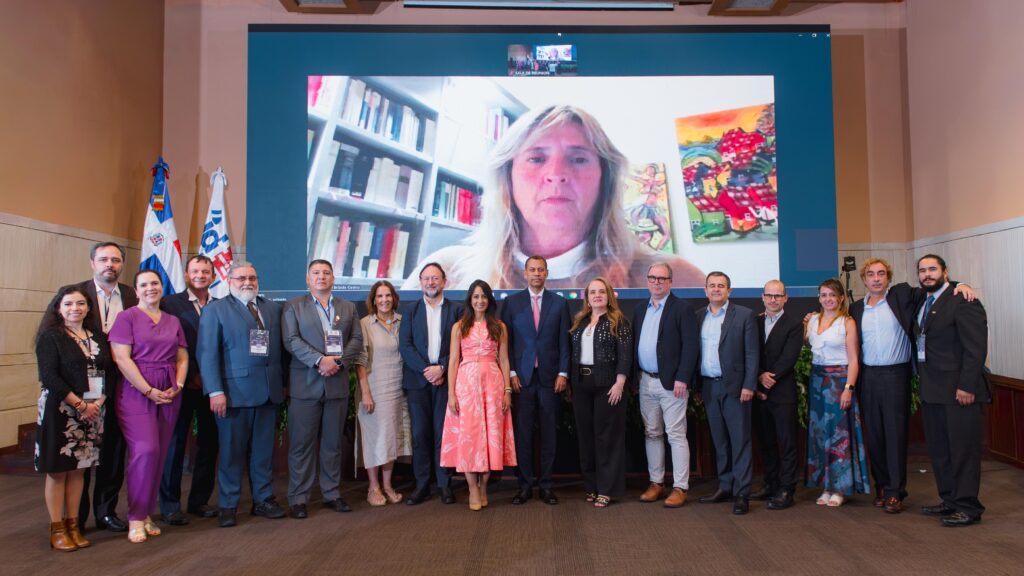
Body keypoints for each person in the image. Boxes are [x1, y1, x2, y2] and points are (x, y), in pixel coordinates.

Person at [402, 105, 703, 290]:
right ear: (507, 178)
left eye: (579, 159)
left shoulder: (674, 279)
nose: (557, 174)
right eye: (536, 158)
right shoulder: (442, 274)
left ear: (605, 179)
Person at [850, 258, 974, 514]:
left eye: (881, 274)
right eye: (871, 274)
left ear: (888, 278)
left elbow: (935, 286)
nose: (876, 279)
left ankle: (896, 492)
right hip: (868, 377)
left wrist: (960, 284)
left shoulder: (902, 296)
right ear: (864, 279)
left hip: (896, 375)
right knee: (875, 436)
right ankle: (882, 487)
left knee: (895, 434)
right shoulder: (856, 308)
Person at [198, 261, 287, 528]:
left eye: (252, 278)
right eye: (241, 278)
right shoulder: (215, 310)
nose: (247, 282)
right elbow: (207, 354)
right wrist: (215, 391)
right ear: (229, 280)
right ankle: (228, 505)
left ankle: (263, 499)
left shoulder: (272, 308)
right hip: (233, 395)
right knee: (231, 454)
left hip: (269, 393)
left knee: (263, 454)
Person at [107, 270, 188, 543]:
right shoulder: (126, 317)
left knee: (160, 454)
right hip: (136, 390)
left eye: (154, 283)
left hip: (169, 390)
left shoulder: (173, 320)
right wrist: (147, 390)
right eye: (144, 284)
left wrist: (178, 384)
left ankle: (146, 514)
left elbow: (182, 356)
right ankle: (135, 516)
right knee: (145, 451)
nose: (150, 288)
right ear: (136, 290)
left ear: (161, 287)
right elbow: (121, 358)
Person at [35, 285, 114, 551]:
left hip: (92, 412)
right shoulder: (51, 337)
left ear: (88, 307)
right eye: (68, 304)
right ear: (58, 308)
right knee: (58, 471)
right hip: (61, 410)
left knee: (79, 470)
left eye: (80, 303)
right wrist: (80, 404)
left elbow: (109, 373)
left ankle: (73, 525)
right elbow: (49, 377)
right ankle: (57, 528)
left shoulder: (98, 337)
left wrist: (97, 404)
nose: (75, 309)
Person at [282, 260, 363, 518]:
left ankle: (332, 493)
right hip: (305, 385)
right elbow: (291, 340)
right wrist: (320, 360)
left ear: (333, 278)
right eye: (316, 273)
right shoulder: (293, 306)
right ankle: (299, 498)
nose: (321, 277)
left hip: (336, 385)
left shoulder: (348, 307)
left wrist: (336, 362)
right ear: (308, 279)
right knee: (301, 445)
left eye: (326, 273)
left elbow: (356, 339)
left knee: (332, 444)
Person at [913, 255, 989, 527]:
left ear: (945, 272)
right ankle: (950, 500)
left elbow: (975, 348)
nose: (927, 274)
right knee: (940, 451)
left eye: (933, 269)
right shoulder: (923, 301)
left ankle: (968, 507)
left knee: (963, 451)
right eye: (922, 270)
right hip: (932, 390)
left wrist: (967, 385)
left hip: (959, 392)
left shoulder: (963, 300)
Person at [75, 241, 137, 533]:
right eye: (103, 259)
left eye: (115, 260)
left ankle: (105, 512)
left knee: (112, 451)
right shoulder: (75, 294)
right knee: (82, 452)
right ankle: (76, 516)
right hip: (84, 386)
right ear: (92, 263)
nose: (109, 265)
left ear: (122, 264)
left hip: (121, 384)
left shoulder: (132, 295)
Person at [500, 255, 571, 506]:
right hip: (522, 380)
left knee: (550, 434)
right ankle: (525, 485)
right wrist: (511, 373)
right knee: (523, 436)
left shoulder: (560, 304)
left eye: (541, 270)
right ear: (525, 273)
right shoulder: (511, 303)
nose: (537, 274)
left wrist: (563, 373)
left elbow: (565, 342)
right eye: (532, 270)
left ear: (547, 273)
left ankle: (547, 485)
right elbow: (506, 344)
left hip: (551, 380)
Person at [440, 280, 517, 510]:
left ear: (489, 300)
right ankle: (472, 487)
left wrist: (507, 391)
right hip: (466, 386)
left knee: (490, 436)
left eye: (483, 296)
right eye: (475, 296)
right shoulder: (459, 327)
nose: (480, 301)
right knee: (469, 437)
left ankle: (484, 487)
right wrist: (451, 394)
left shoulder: (499, 327)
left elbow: (504, 360)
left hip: (492, 386)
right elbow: (454, 360)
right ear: (470, 300)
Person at [633, 262, 699, 508]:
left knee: (675, 434)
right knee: (652, 432)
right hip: (645, 381)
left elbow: (691, 346)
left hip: (673, 384)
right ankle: (656, 483)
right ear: (647, 280)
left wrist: (683, 377)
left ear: (670, 281)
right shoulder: (640, 309)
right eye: (653, 278)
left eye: (662, 278)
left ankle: (680, 487)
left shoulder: (682, 309)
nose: (657, 282)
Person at [159, 255, 219, 525]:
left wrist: (210, 379)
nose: (200, 276)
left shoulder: (221, 305)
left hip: (212, 387)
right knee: (175, 445)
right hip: (180, 385)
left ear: (213, 276)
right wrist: (193, 374)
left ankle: (199, 501)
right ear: (186, 275)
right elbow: (167, 344)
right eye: (195, 271)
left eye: (205, 271)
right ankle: (170, 506)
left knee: (209, 445)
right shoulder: (169, 304)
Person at [398, 263, 463, 505]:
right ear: (420, 282)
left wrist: (442, 368)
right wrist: (427, 370)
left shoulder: (457, 310)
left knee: (442, 434)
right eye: (426, 278)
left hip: (446, 381)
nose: (430, 282)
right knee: (420, 434)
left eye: (435, 278)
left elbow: (462, 346)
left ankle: (445, 484)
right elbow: (405, 346)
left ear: (444, 281)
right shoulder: (410, 310)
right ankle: (422, 485)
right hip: (418, 381)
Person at [696, 271, 758, 515]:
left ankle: (742, 493)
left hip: (736, 388)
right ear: (705, 290)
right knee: (720, 441)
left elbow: (752, 354)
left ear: (729, 290)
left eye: (721, 286)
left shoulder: (743, 315)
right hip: (709, 387)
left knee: (739, 441)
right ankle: (725, 486)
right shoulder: (698, 316)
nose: (716, 289)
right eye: (712, 285)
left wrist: (749, 385)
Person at [805, 278, 870, 507]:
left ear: (841, 298)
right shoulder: (812, 320)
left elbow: (854, 360)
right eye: (824, 295)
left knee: (839, 435)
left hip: (839, 382)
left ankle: (841, 488)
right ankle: (826, 486)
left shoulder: (847, 322)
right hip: (817, 383)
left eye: (832, 295)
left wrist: (848, 389)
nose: (828, 299)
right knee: (821, 434)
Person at [569, 277, 633, 508]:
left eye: (601, 292)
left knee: (606, 438)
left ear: (608, 296)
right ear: (587, 297)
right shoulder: (580, 321)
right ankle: (592, 486)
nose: (597, 295)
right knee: (586, 437)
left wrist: (620, 383)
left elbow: (625, 355)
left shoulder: (618, 321)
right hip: (581, 385)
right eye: (593, 292)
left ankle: (607, 489)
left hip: (608, 386)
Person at [354, 280, 412, 506]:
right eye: (379, 296)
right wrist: (365, 393)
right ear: (373, 300)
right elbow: (360, 361)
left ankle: (387, 485)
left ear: (394, 298)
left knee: (391, 438)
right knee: (374, 438)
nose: (384, 300)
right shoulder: (365, 324)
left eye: (388, 295)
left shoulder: (403, 322)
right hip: (374, 388)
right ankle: (373, 487)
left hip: (398, 388)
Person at [751, 280, 804, 510]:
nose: (773, 299)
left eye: (778, 296)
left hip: (782, 393)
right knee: (767, 443)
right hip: (758, 392)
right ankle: (770, 484)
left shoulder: (794, 324)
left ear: (785, 298)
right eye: (769, 295)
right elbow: (750, 353)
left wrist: (767, 380)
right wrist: (759, 376)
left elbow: (788, 358)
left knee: (787, 443)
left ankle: (786, 489)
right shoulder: (754, 321)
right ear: (763, 297)